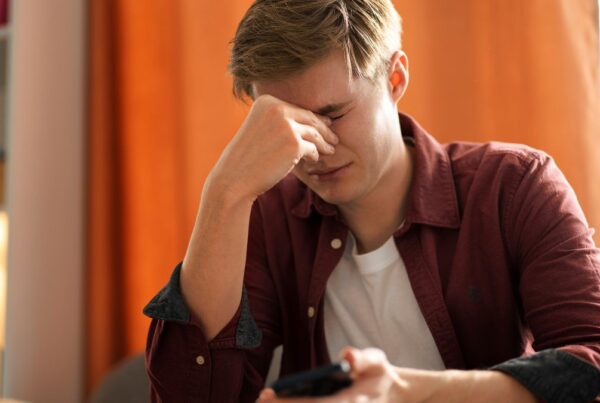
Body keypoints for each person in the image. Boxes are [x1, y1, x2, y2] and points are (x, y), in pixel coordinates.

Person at [143, 0, 600, 402]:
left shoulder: (514, 186)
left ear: (395, 77)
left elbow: (592, 364)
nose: (314, 148)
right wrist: (223, 192)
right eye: (286, 125)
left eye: (332, 114)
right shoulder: (268, 218)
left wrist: (402, 393)